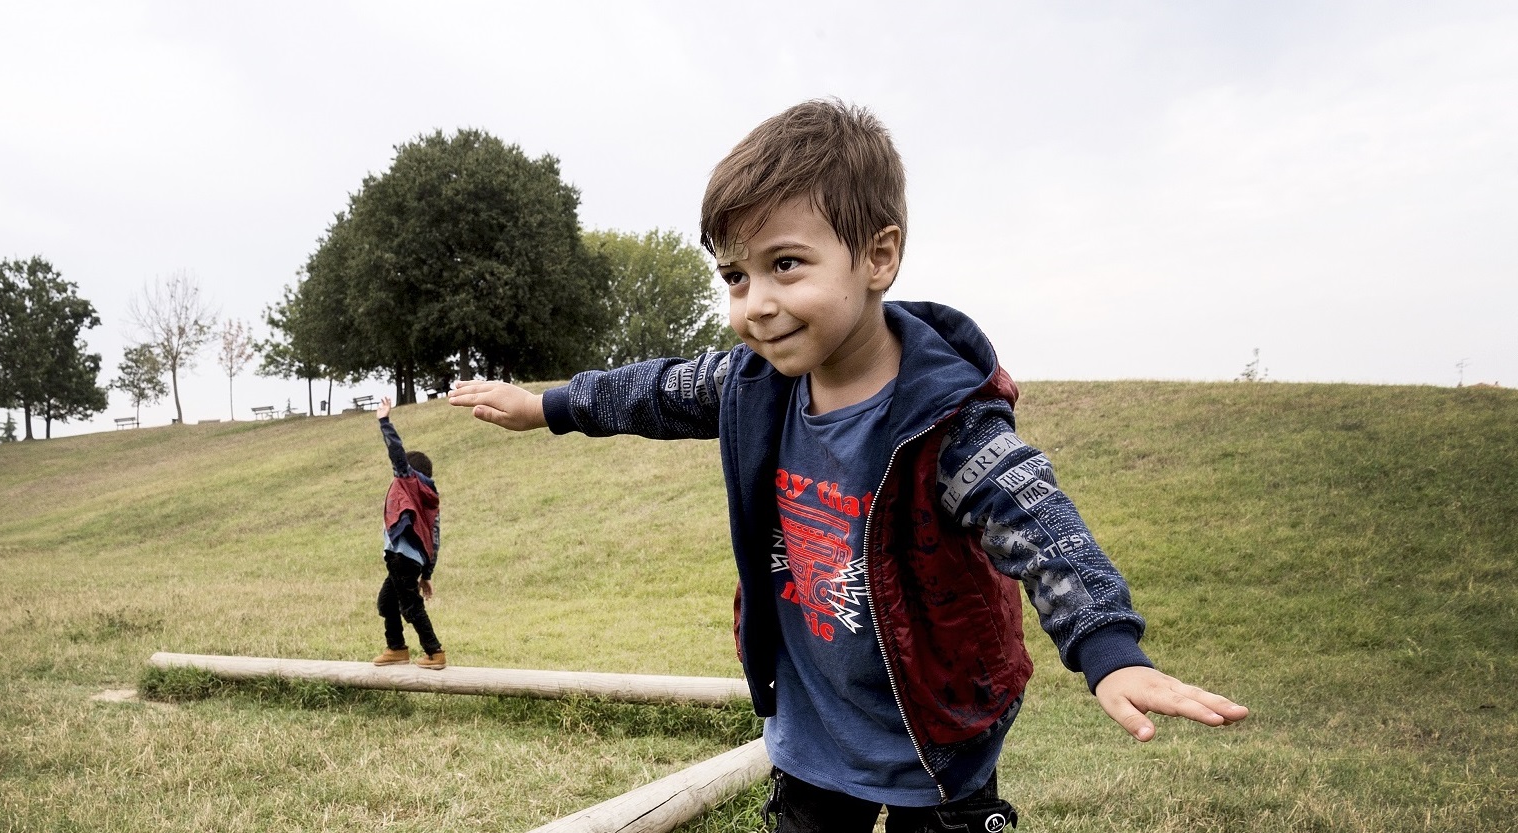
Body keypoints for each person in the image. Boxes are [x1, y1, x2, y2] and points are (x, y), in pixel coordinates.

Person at [448, 99, 1246, 832]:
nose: (753, 301)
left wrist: (1109, 650)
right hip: (813, 729)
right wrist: (549, 406)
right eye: (735, 274)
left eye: (784, 264)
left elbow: (1041, 526)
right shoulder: (751, 384)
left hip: (937, 732)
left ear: (877, 255)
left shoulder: (947, 422)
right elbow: (654, 390)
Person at [371, 396, 445, 670]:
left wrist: (384, 420)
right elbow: (434, 540)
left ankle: (435, 652)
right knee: (387, 603)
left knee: (410, 607)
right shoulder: (430, 498)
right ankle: (397, 648)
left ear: (410, 472)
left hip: (402, 558)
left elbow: (397, 453)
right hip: (408, 560)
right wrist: (426, 575)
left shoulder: (407, 481)